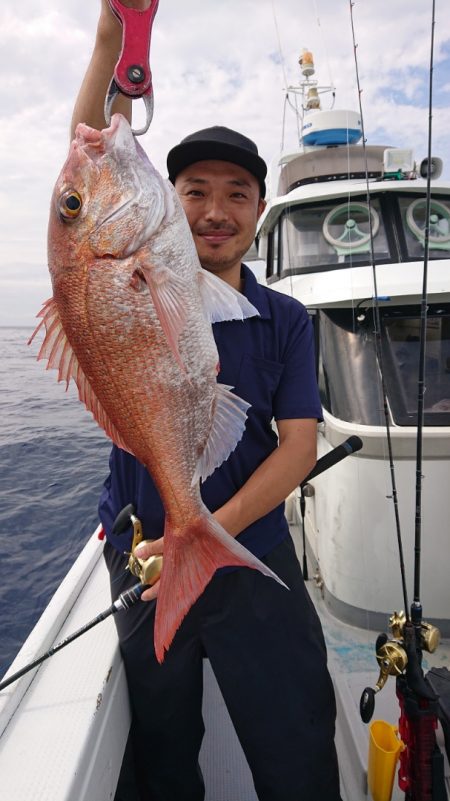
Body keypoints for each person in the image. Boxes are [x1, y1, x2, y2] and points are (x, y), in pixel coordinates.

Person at [71, 3, 341, 800]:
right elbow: (90, 155)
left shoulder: (286, 319)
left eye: (236, 194)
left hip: (247, 554)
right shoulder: (145, 277)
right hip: (148, 554)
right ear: (162, 201)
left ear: (260, 212)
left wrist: (205, 533)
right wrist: (110, 39)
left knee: (296, 740)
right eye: (193, 191)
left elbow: (298, 447)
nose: (214, 211)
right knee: (162, 749)